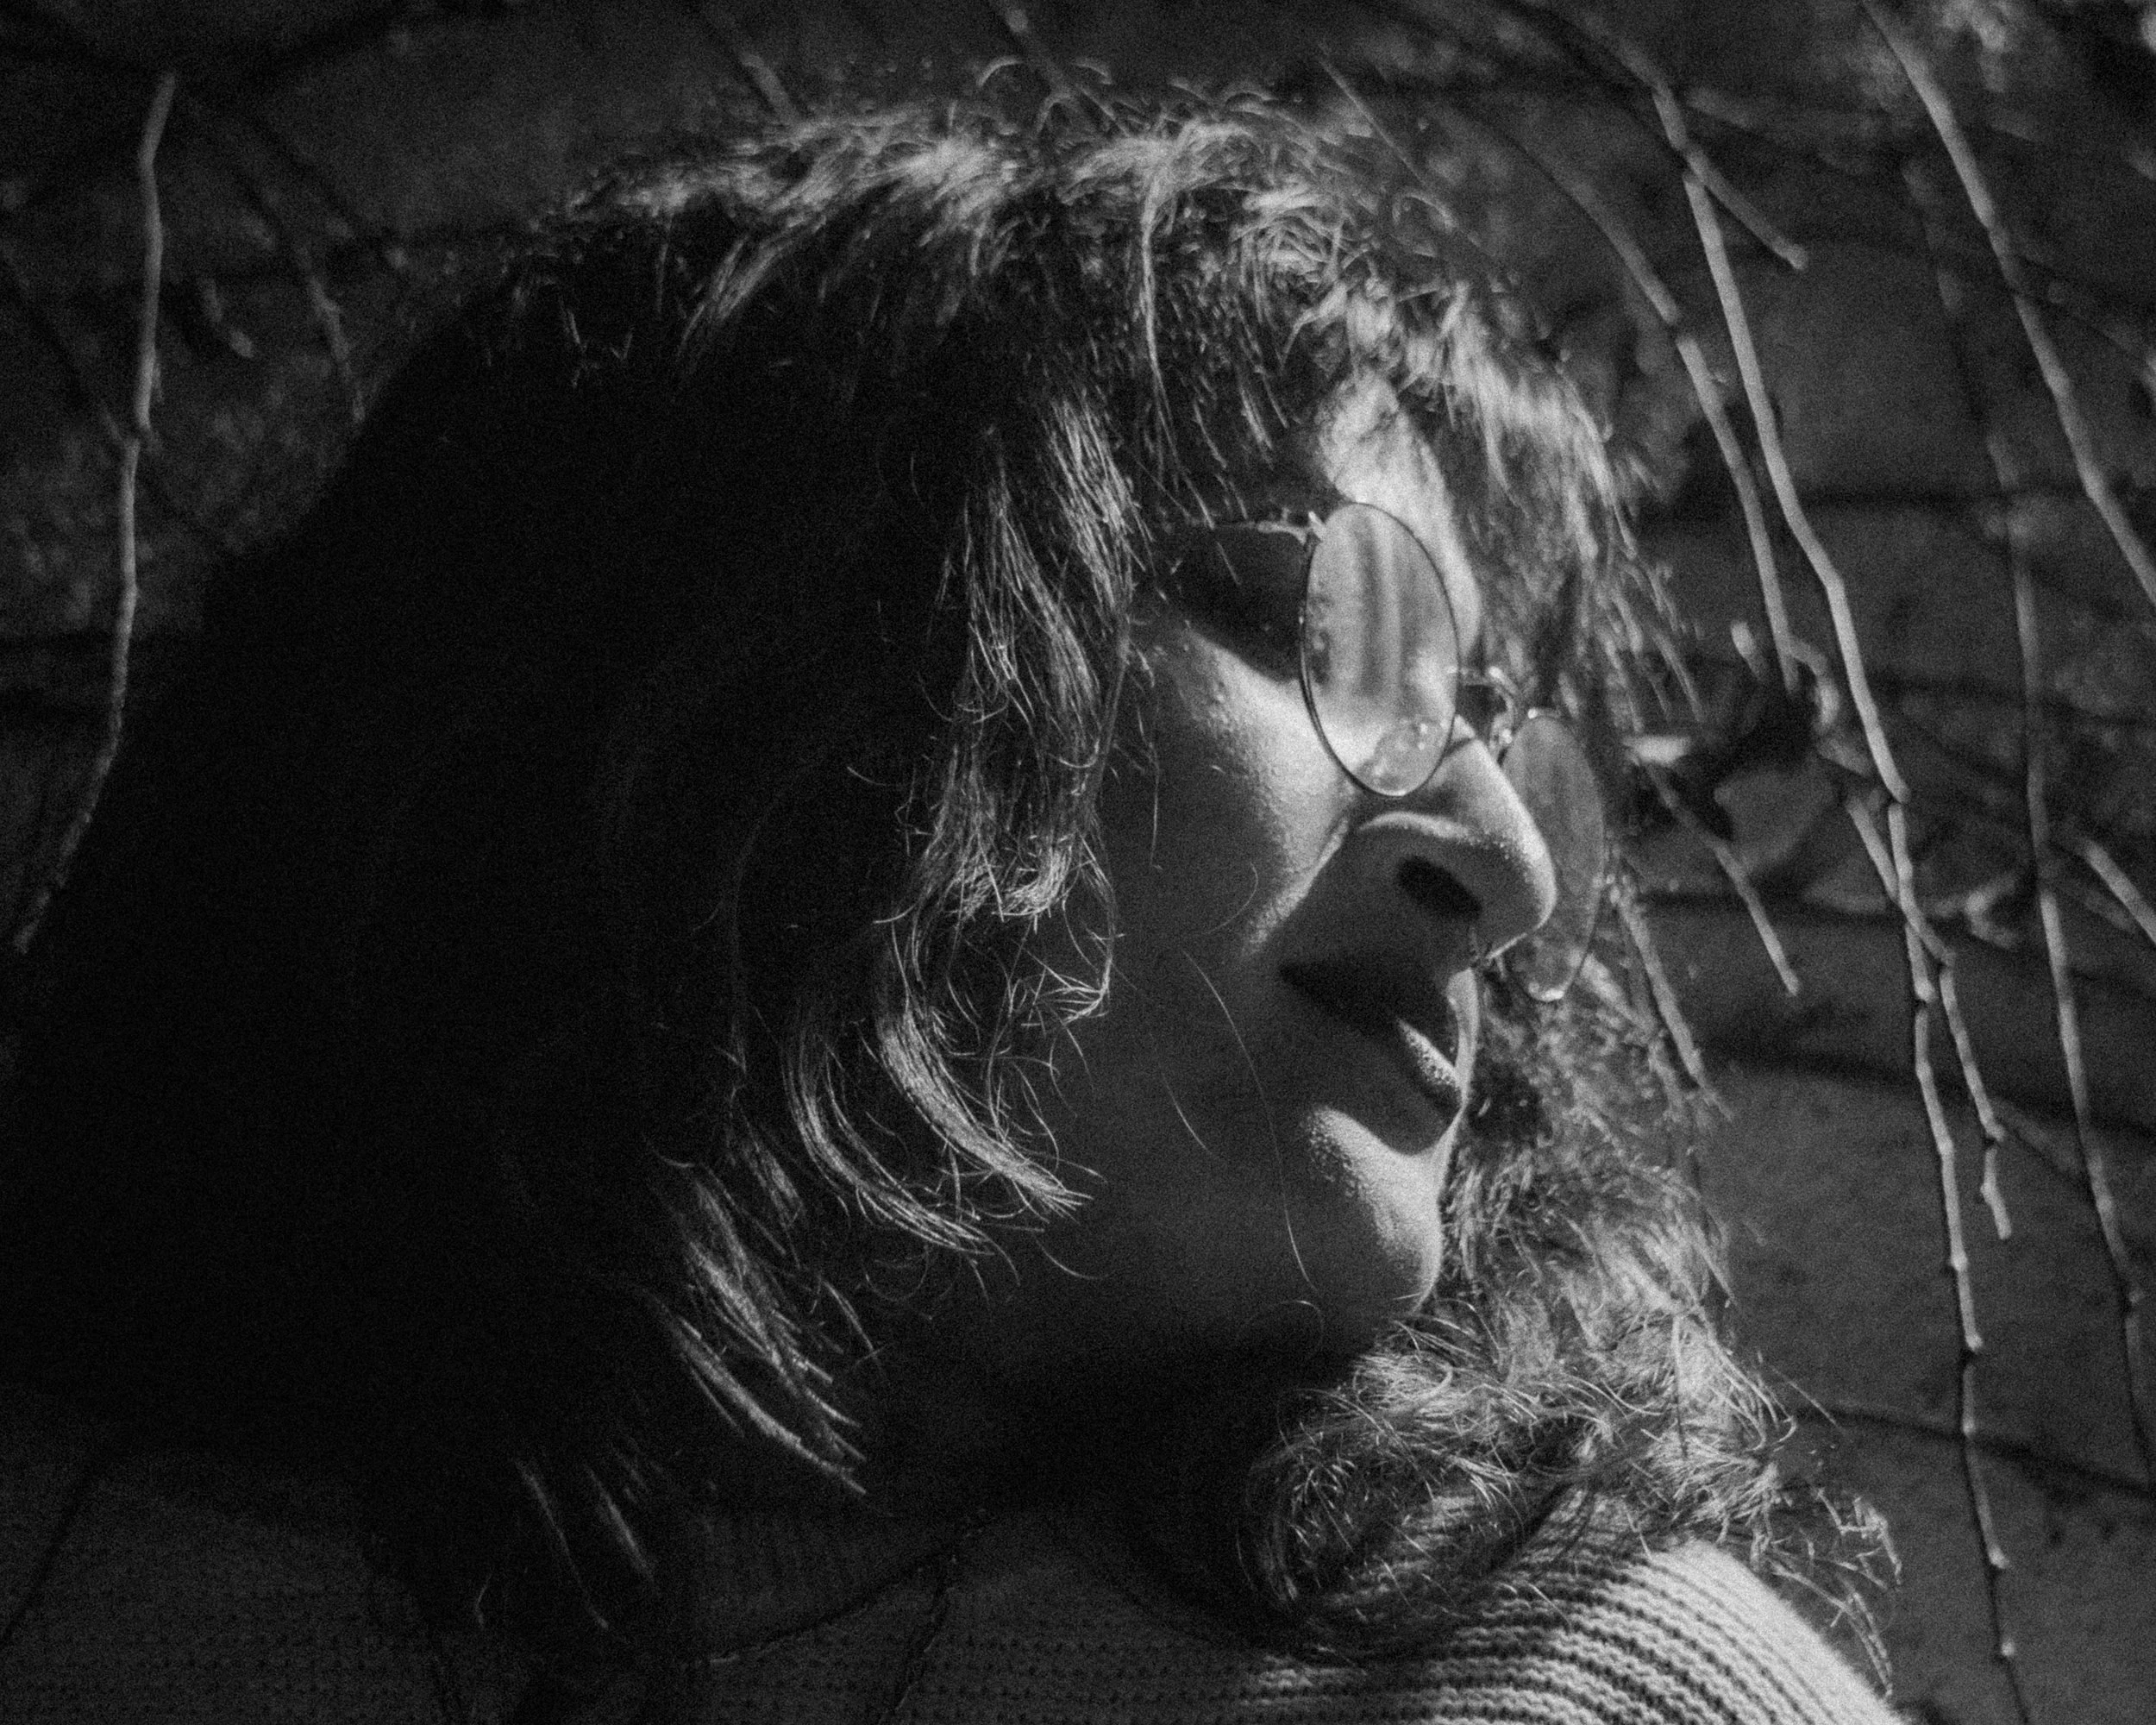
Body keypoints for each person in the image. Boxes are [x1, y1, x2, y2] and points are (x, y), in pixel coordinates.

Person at [0, 99, 1896, 1722]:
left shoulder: (1592, 1688)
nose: (1506, 866)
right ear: (767, 676)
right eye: (1326, 627)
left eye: (1502, 734)